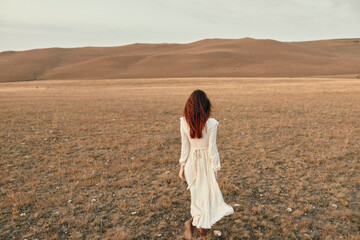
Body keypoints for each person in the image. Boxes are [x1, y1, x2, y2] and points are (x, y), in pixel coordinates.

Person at [178, 89, 234, 239]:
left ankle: (196, 224)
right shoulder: (211, 124)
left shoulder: (184, 122)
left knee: (197, 197)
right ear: (206, 105)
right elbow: (212, 149)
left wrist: (182, 166)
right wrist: (216, 168)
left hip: (191, 164)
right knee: (207, 198)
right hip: (206, 165)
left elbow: (185, 146)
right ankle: (198, 226)